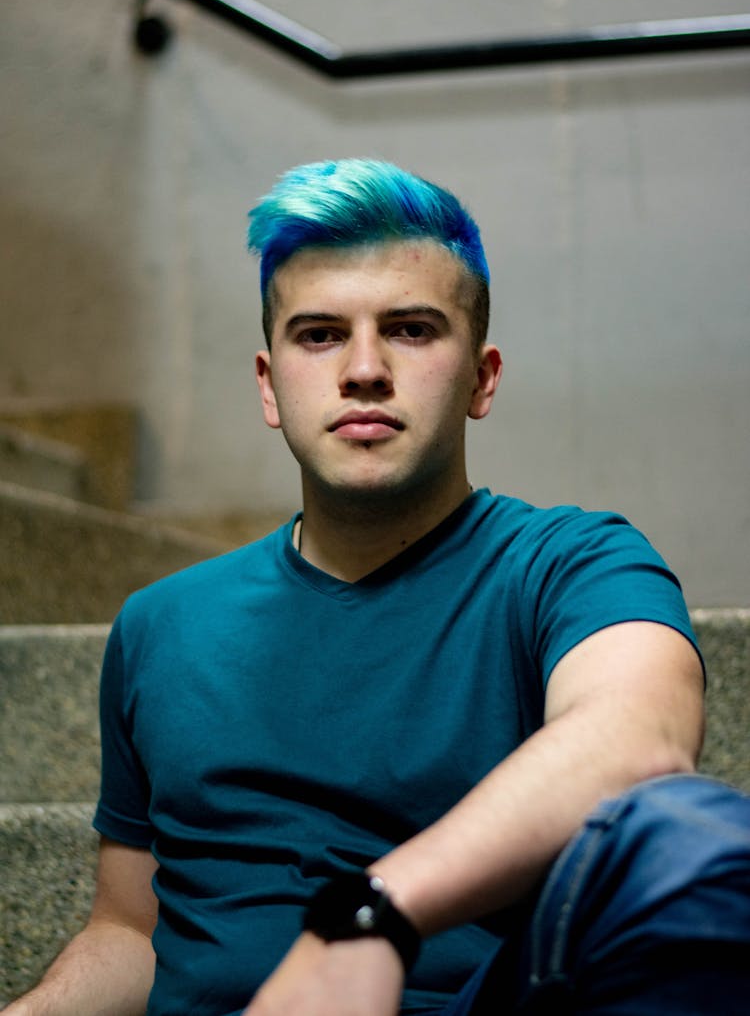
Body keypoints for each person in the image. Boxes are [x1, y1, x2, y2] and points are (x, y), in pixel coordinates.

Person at [6, 158, 749, 1016]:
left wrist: (366, 920)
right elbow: (131, 929)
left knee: (686, 845)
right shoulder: (160, 625)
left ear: (482, 376)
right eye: (319, 334)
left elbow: (637, 744)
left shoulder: (571, 564)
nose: (363, 368)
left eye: (410, 329)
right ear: (269, 384)